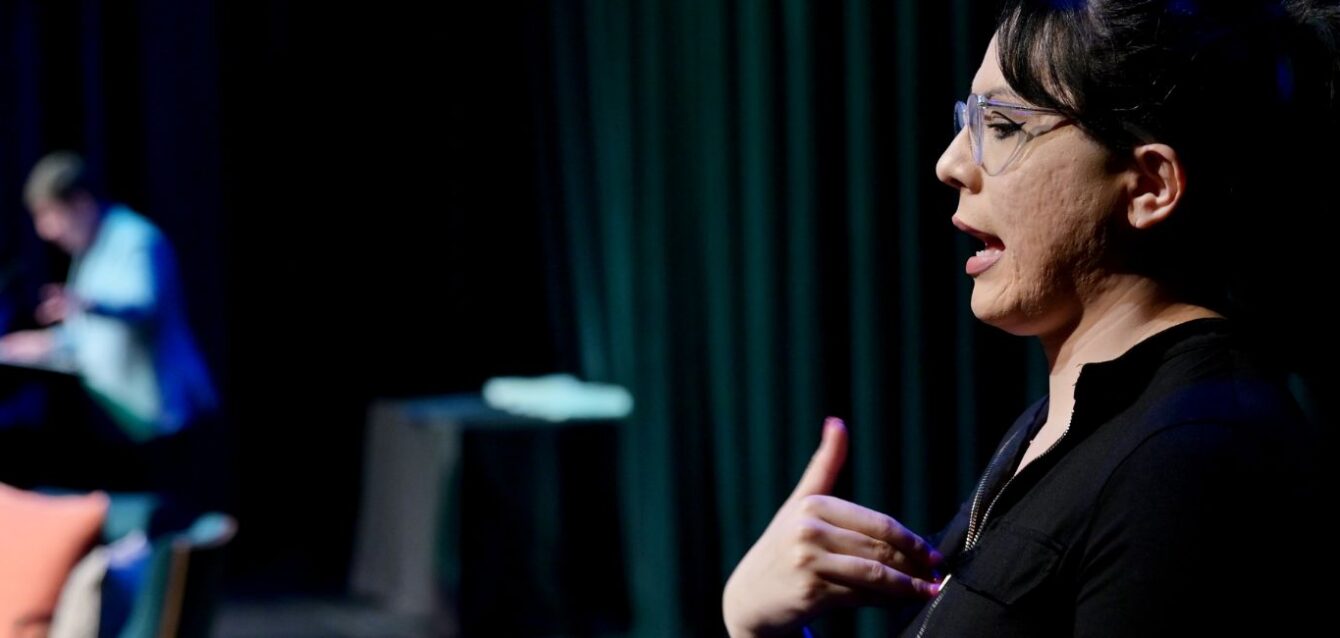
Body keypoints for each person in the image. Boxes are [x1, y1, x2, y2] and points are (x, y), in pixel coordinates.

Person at [722, 1, 1335, 635]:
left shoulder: (1190, 458)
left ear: (1149, 184)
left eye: (1005, 125)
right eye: (969, 120)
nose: (952, 163)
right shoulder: (1078, 420)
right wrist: (756, 620)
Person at [0, 151, 223, 520]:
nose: (46, 231)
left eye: (51, 215)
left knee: (170, 517)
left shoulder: (137, 238)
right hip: (118, 417)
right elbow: (86, 337)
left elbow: (143, 304)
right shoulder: (88, 253)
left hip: (161, 413)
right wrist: (36, 345)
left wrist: (87, 303)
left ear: (80, 203)